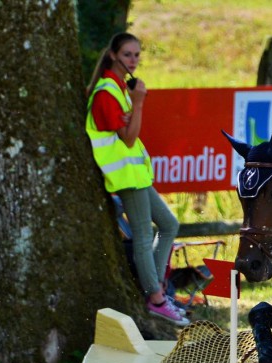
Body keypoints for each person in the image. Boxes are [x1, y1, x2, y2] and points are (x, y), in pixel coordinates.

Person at [85, 33, 187, 326]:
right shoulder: (107, 92)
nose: (133, 60)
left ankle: (156, 290)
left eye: (137, 55)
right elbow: (129, 140)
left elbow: (129, 134)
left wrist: (133, 105)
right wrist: (139, 103)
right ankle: (156, 298)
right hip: (124, 177)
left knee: (169, 224)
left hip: (136, 175)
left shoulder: (119, 88)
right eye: (128, 54)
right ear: (114, 56)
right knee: (143, 235)